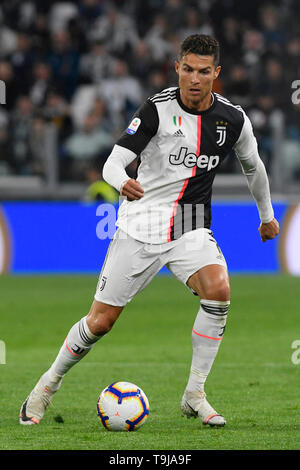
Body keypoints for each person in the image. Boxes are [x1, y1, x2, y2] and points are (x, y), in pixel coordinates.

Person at [20, 34, 279, 427]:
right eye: (188, 69)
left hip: (190, 223)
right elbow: (113, 161)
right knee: (100, 322)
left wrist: (267, 215)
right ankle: (45, 387)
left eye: (204, 71)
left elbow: (254, 166)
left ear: (216, 74)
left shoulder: (232, 118)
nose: (194, 78)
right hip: (140, 224)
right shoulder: (157, 110)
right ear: (177, 67)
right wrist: (120, 181)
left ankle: (195, 394)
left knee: (219, 290)